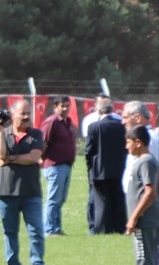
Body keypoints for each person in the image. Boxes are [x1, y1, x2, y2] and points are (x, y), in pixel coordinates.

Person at [0, 98, 46, 265]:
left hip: (31, 191)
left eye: (28, 113)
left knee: (36, 230)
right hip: (6, 191)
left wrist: (10, 159)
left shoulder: (36, 134)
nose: (26, 117)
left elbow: (34, 157)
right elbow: (1, 155)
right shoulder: (3, 133)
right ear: (13, 114)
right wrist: (0, 131)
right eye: (23, 113)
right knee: (9, 231)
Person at [123, 125, 158, 265]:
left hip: (144, 221)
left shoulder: (146, 162)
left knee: (143, 259)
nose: (126, 146)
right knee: (148, 259)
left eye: (128, 142)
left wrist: (134, 218)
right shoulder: (142, 161)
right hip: (144, 220)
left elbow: (150, 192)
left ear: (138, 142)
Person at [85, 97, 127, 234]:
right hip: (119, 168)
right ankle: (120, 226)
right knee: (118, 199)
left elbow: (88, 150)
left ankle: (103, 229)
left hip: (99, 169)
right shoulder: (121, 126)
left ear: (98, 110)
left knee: (101, 201)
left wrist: (90, 166)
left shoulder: (94, 127)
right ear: (112, 109)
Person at [39, 95, 77, 236]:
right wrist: (40, 158)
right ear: (55, 107)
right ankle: (49, 229)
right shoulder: (52, 122)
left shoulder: (67, 122)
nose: (66, 108)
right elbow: (43, 143)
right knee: (53, 199)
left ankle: (56, 228)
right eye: (62, 106)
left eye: (67, 106)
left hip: (66, 165)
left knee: (60, 199)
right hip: (55, 165)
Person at [121, 101, 159, 197]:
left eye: (126, 117)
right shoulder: (145, 136)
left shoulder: (148, 138)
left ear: (138, 118)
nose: (123, 122)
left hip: (141, 195)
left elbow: (151, 171)